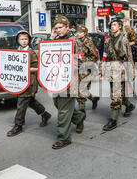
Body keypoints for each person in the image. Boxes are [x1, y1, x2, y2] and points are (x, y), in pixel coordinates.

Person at [49, 15, 86, 149]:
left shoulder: (74, 41)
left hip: (70, 79)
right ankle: (78, 117)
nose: (58, 30)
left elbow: (81, 61)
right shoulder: (57, 39)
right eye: (56, 28)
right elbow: (47, 54)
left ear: (67, 27)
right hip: (57, 80)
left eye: (60, 27)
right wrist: (51, 38)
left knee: (63, 110)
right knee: (57, 103)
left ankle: (64, 138)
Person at [6, 30, 51, 137]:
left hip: (29, 82)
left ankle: (18, 126)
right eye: (21, 39)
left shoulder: (31, 52)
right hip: (21, 81)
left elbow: (37, 68)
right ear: (18, 40)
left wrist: (24, 69)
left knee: (21, 103)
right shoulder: (17, 51)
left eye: (26, 39)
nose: (24, 41)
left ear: (29, 40)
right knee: (30, 101)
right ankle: (45, 114)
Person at [101, 18, 135, 131]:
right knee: (118, 92)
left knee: (115, 94)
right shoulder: (108, 40)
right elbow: (105, 55)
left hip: (121, 68)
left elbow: (129, 56)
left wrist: (132, 70)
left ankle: (113, 119)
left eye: (115, 25)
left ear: (120, 26)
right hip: (111, 68)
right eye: (111, 25)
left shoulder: (124, 40)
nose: (112, 27)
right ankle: (129, 105)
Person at [76, 25, 101, 112]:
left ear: (85, 33)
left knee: (82, 88)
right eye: (78, 32)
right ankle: (93, 99)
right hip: (77, 68)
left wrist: (84, 61)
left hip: (86, 69)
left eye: (81, 32)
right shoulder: (76, 41)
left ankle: (81, 109)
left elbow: (95, 56)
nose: (78, 34)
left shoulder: (88, 42)